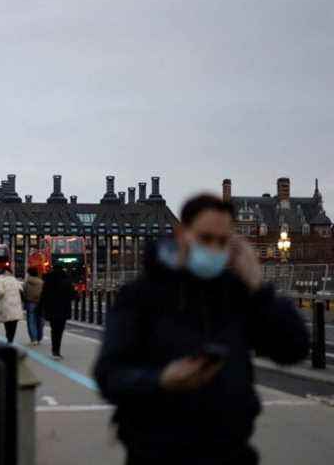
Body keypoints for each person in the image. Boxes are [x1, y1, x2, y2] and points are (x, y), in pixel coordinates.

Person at [93, 194, 309, 465]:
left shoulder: (237, 295)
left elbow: (293, 348)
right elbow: (108, 375)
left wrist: (258, 286)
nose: (214, 248)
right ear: (182, 234)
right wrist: (161, 380)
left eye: (223, 242)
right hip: (156, 454)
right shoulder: (140, 295)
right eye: (205, 238)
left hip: (231, 452)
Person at [39, 265, 75, 359]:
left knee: (53, 329)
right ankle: (57, 350)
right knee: (60, 330)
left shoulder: (48, 281)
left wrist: (41, 307)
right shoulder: (67, 281)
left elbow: (43, 295)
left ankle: (54, 350)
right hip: (63, 309)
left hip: (51, 308)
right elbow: (74, 296)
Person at [0, 268, 24, 343]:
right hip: (16, 305)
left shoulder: (1, 280)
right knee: (14, 323)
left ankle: (9, 338)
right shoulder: (15, 280)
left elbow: (0, 292)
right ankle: (11, 339)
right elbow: (21, 290)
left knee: (7, 324)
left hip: (6, 305)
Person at [23, 267, 45, 345]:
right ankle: (39, 337)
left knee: (31, 321)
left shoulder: (26, 282)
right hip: (40, 303)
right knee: (40, 321)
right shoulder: (41, 282)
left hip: (30, 303)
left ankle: (33, 339)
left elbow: (24, 292)